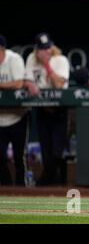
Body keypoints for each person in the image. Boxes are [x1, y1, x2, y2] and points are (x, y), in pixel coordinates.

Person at [24, 33, 70, 186]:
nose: (47, 51)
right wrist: (29, 83)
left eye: (49, 47)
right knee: (46, 153)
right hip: (42, 110)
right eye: (43, 49)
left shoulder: (60, 60)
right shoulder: (31, 58)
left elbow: (59, 85)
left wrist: (47, 64)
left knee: (57, 153)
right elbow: (27, 78)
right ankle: (49, 186)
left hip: (59, 111)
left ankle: (52, 184)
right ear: (37, 50)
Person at [0, 35, 29, 186]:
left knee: (19, 157)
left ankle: (23, 188)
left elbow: (18, 83)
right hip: (0, 119)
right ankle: (6, 188)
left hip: (17, 116)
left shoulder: (14, 59)